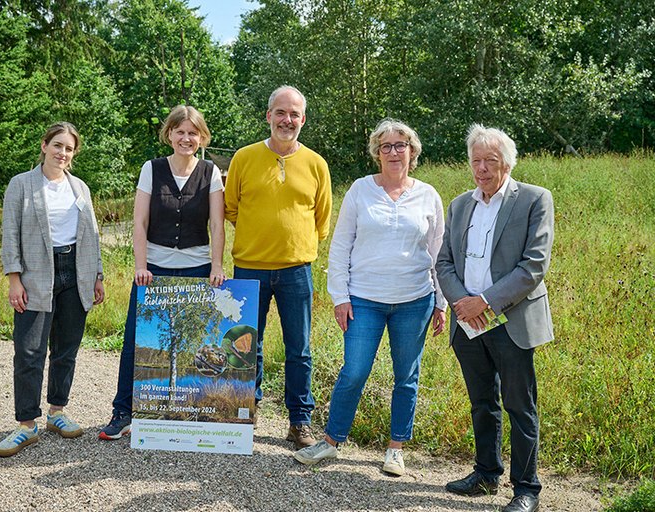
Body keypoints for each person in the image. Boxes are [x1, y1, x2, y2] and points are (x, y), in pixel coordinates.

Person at [292, 119, 447, 474]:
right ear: (377, 153)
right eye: (386, 146)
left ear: (412, 151)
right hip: (364, 300)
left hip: (415, 300)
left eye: (401, 145)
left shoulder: (428, 195)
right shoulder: (361, 191)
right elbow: (341, 245)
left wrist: (441, 301)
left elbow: (439, 253)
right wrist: (340, 297)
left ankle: (395, 448)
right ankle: (331, 442)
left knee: (406, 375)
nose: (394, 152)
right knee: (355, 370)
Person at [436, 124, 554, 512]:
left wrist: (484, 301)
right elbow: (444, 262)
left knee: (520, 405)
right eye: (476, 161)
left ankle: (526, 489)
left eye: (491, 161)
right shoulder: (459, 205)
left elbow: (533, 265)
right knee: (482, 401)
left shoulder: (535, 200)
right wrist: (463, 303)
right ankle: (486, 473)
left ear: (507, 163)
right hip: (467, 323)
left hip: (511, 321)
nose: (482, 169)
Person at [99, 105, 226, 440]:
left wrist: (216, 265)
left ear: (201, 137)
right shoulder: (151, 169)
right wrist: (140, 266)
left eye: (193, 133)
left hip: (197, 266)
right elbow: (139, 222)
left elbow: (217, 223)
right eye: (180, 131)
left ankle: (191, 412)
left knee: (195, 342)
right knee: (137, 340)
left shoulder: (210, 172)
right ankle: (123, 412)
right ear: (169, 134)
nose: (186, 138)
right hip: (154, 269)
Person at [224, 85, 332, 449]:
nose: (287, 120)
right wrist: (260, 236)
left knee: (298, 348)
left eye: (294, 114)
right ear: (268, 116)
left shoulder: (316, 164)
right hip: (249, 268)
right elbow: (231, 207)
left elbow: (322, 218)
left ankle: (299, 421)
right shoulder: (243, 157)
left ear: (303, 119)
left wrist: (293, 243)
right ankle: (244, 411)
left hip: (296, 270)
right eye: (280, 113)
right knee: (245, 345)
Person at [0, 122, 105, 457]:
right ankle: (26, 425)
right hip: (36, 275)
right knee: (29, 351)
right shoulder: (21, 185)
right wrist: (14, 278)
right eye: (57, 145)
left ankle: (57, 412)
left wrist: (97, 276)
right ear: (44, 145)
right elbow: (10, 234)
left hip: (76, 273)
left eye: (69, 149)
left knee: (66, 349)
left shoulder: (80, 188)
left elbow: (93, 234)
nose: (63, 153)